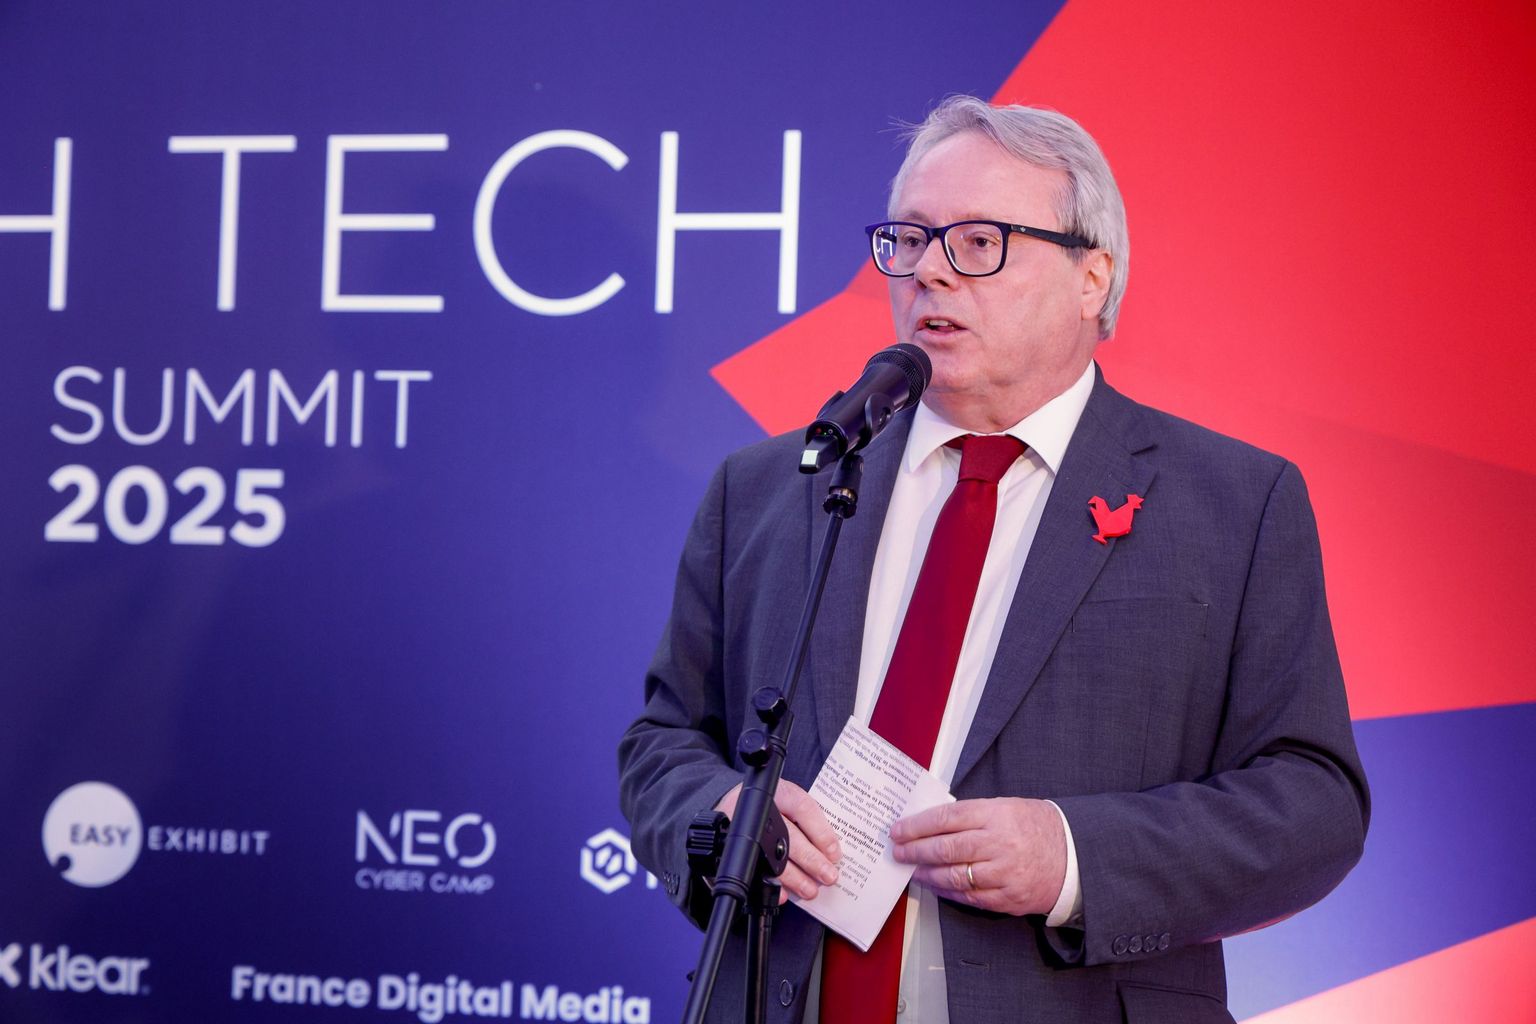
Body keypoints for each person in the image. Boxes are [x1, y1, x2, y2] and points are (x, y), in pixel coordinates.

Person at [618, 95, 1368, 1024]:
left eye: (979, 242)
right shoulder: (774, 486)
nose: (929, 271)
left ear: (1092, 276)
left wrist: (1075, 857)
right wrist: (721, 815)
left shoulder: (1233, 504)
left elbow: (1314, 802)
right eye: (909, 239)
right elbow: (663, 744)